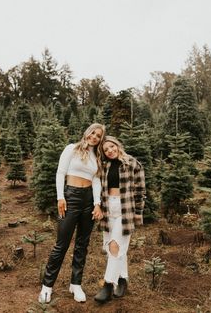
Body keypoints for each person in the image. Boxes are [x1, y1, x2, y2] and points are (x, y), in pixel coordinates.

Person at [39, 123, 105, 304]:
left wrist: (97, 203)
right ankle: (47, 286)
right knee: (62, 244)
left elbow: (97, 180)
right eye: (93, 133)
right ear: (87, 132)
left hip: (88, 200)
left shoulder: (96, 156)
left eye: (98, 136)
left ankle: (75, 284)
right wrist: (61, 197)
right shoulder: (71, 149)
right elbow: (60, 173)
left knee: (82, 244)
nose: (94, 137)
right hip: (71, 196)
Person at [94, 135, 146, 303]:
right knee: (112, 248)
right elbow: (98, 187)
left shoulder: (132, 163)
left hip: (125, 209)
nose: (110, 151)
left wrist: (138, 212)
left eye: (112, 146)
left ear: (117, 145)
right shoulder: (104, 165)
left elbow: (140, 190)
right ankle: (123, 280)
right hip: (108, 208)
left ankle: (108, 285)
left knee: (116, 245)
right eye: (106, 149)